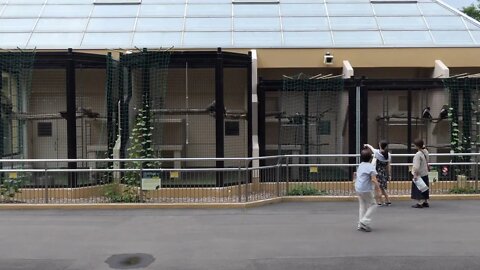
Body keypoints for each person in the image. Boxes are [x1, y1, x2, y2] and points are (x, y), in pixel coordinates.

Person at [355, 148, 381, 232]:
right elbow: (374, 179)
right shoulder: (370, 167)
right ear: (370, 158)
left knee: (362, 205)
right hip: (366, 189)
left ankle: (360, 224)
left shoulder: (360, 165)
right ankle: (364, 221)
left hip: (358, 188)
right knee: (374, 204)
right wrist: (378, 190)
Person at [364, 141, 392, 206]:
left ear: (380, 145)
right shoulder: (388, 155)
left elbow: (371, 148)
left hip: (377, 172)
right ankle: (388, 200)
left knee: (377, 187)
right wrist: (389, 174)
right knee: (383, 188)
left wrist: (367, 145)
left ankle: (379, 201)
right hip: (384, 173)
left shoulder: (377, 153)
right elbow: (389, 165)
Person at [411, 138, 430, 208]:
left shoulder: (418, 154)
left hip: (419, 174)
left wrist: (415, 175)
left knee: (419, 188)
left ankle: (420, 203)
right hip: (425, 172)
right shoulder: (425, 151)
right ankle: (425, 201)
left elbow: (416, 166)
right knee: (425, 188)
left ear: (417, 146)